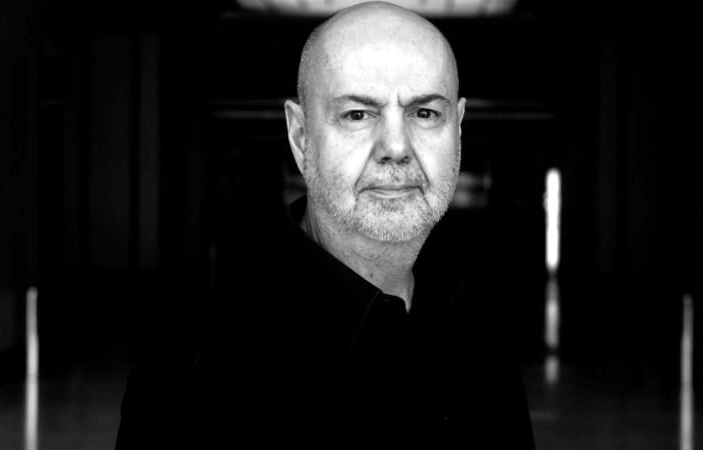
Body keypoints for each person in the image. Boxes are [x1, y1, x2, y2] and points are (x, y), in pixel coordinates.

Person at [115, 2, 535, 448]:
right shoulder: (193, 362)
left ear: (459, 131)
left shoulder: (482, 337)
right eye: (357, 114)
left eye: (425, 113)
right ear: (300, 137)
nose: (396, 147)